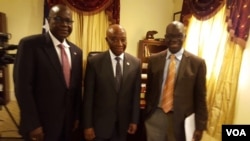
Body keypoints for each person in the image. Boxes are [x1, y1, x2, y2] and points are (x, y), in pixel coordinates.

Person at [13, 4, 83, 141]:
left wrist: (76, 117)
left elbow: (76, 90)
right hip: (41, 126)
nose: (64, 24)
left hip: (67, 125)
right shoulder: (30, 45)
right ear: (48, 20)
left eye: (68, 21)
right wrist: (33, 124)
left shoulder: (76, 52)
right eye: (58, 19)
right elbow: (23, 88)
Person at [144, 21, 208, 141]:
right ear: (165, 37)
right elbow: (149, 89)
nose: (173, 40)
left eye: (178, 36)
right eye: (170, 36)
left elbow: (201, 98)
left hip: (181, 120)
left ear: (185, 36)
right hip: (155, 116)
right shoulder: (154, 59)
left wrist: (200, 126)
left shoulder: (197, 63)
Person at [82, 24, 141, 141]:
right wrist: (87, 125)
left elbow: (136, 96)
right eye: (114, 39)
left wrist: (134, 120)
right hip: (100, 126)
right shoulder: (94, 62)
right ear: (107, 40)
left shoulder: (136, 63)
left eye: (123, 40)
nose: (119, 44)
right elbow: (88, 97)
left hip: (123, 126)